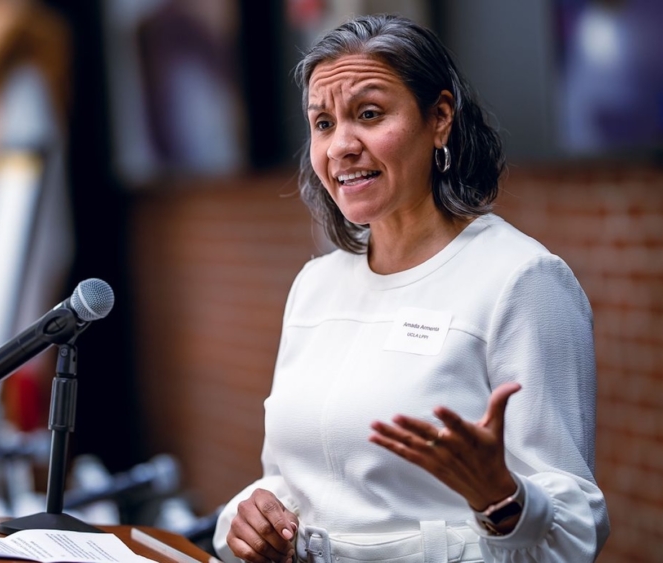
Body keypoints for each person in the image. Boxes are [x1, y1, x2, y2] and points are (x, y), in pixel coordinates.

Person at [212, 13, 609, 563]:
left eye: (368, 115)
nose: (341, 146)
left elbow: (574, 532)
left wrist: (503, 499)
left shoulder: (522, 280)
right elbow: (292, 478)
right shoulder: (315, 286)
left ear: (440, 118)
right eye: (322, 123)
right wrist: (257, 516)